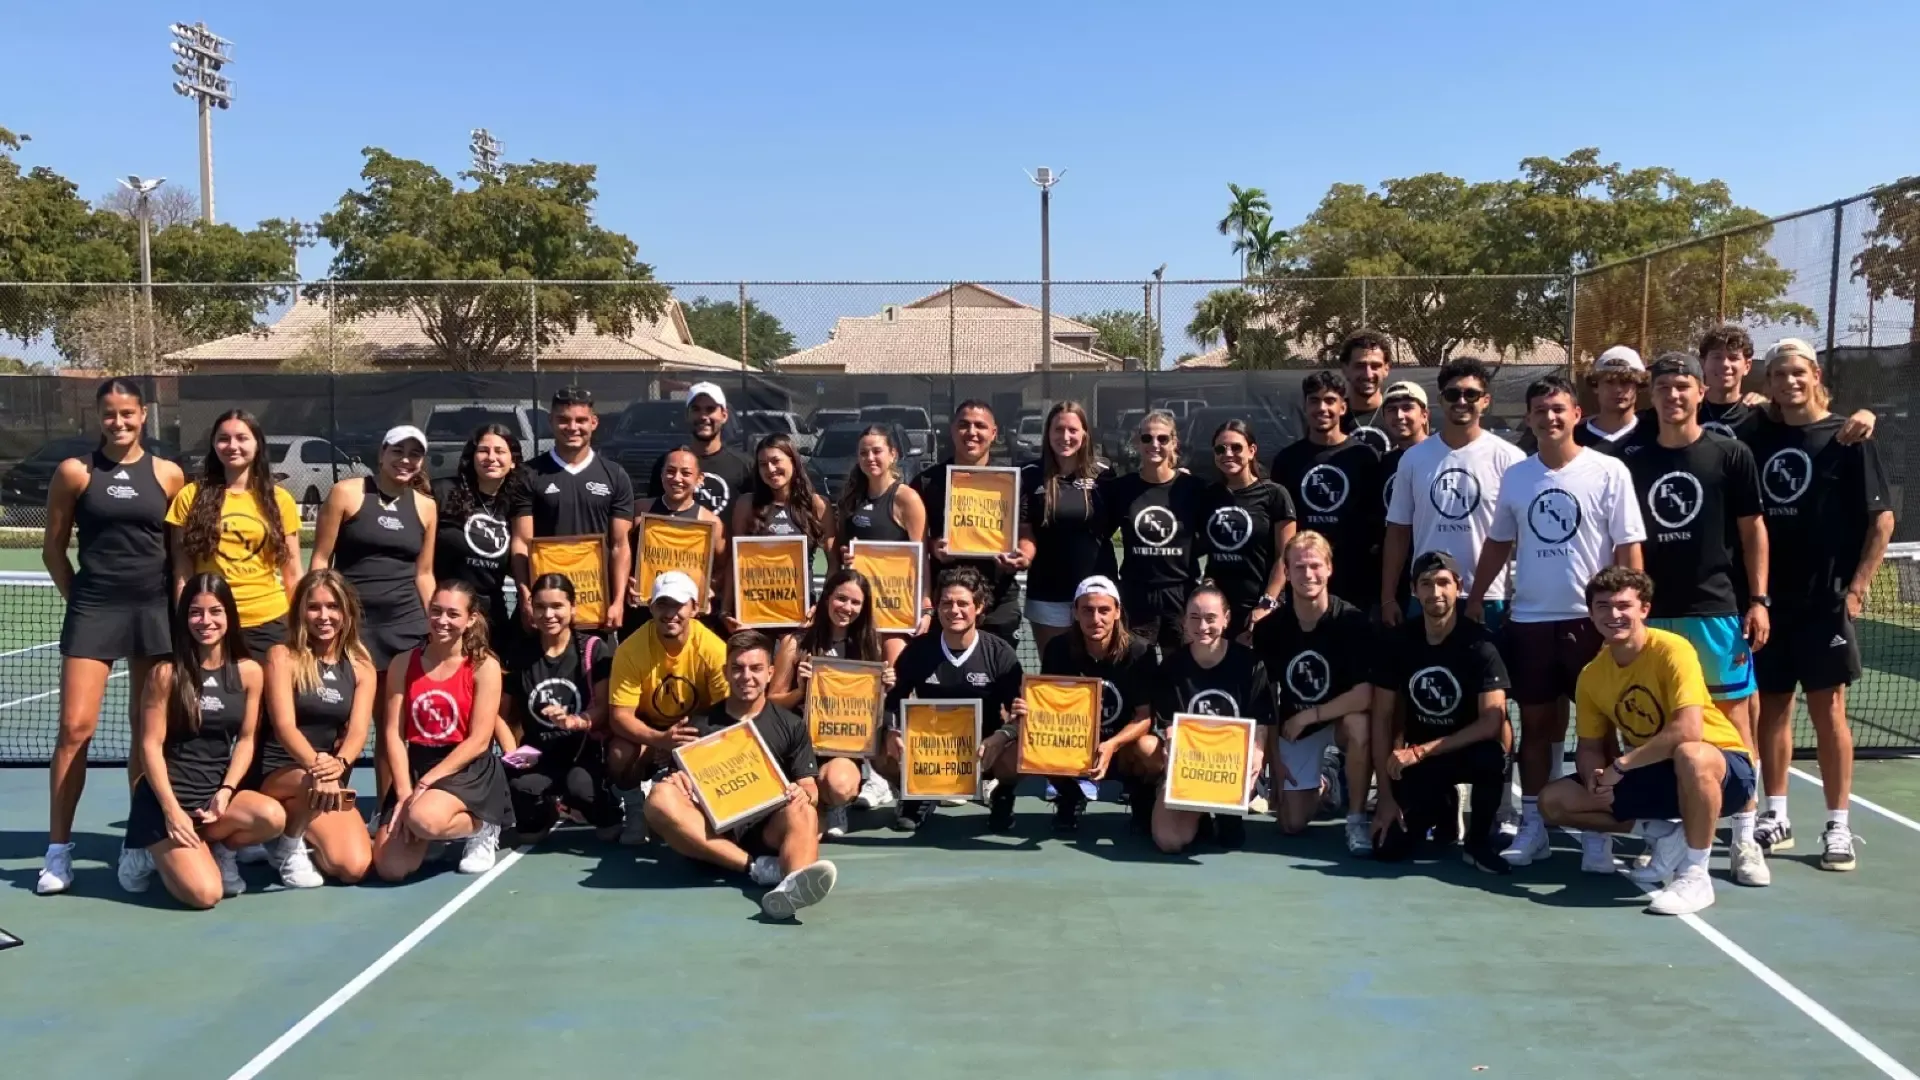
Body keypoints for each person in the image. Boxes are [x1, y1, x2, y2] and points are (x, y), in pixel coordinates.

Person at [1470, 375, 1645, 871]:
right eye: (1540, 410)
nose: (1550, 418)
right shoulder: (1517, 477)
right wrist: (1476, 598)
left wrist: (1630, 612)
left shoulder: (1608, 471)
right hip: (1530, 623)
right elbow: (1499, 543)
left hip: (1591, 625)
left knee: (1599, 733)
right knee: (1537, 728)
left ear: (1575, 414)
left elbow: (1628, 547)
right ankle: (1533, 826)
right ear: (1529, 418)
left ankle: (1597, 833)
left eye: (1558, 409)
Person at [1617, 352, 1771, 887]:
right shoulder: (1631, 460)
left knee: (1733, 725)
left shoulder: (1731, 454)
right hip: (1654, 617)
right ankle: (1667, 835)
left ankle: (1745, 837)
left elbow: (1753, 530)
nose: (1673, 395)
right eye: (1663, 387)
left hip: (1715, 613)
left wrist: (1759, 599)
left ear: (1700, 392)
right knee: (1655, 724)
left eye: (1683, 386)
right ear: (1652, 395)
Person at [1747, 339, 1894, 870]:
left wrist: (1856, 588)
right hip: (1769, 604)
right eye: (1779, 373)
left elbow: (1882, 522)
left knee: (1829, 709)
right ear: (1769, 382)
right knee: (1772, 707)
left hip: (1825, 603)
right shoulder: (1756, 436)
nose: (1789, 381)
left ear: (1815, 375)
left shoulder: (1850, 437)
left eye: (1798, 372)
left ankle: (1838, 825)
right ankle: (1775, 816)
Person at [38, 378, 186, 896]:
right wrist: (82, 600)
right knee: (74, 729)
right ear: (97, 417)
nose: (118, 422)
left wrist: (179, 613)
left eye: (127, 413)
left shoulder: (168, 474)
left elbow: (178, 554)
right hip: (95, 611)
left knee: (147, 733)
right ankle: (58, 851)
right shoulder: (74, 473)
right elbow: (54, 549)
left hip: (154, 614)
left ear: (143, 415)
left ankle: (137, 845)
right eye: (109, 414)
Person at [1539, 567, 1758, 916]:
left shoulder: (1673, 649)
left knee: (1691, 755)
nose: (1613, 614)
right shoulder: (1592, 676)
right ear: (1591, 613)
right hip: (1657, 773)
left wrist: (1620, 767)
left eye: (1623, 605)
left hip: (1724, 771)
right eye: (1603, 606)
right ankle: (1663, 834)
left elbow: (1688, 730)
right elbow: (1590, 746)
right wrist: (1596, 780)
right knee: (1554, 802)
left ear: (1644, 609)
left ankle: (1695, 874)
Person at [643, 631, 839, 921]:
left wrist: (804, 793)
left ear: (770, 673)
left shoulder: (791, 725)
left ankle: (791, 891)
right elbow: (678, 783)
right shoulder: (698, 725)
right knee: (660, 797)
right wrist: (678, 782)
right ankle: (759, 868)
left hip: (767, 828)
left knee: (805, 810)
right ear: (726, 672)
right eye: (737, 668)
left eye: (756, 668)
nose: (746, 676)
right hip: (712, 833)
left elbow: (809, 785)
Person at [118, 574, 281, 908]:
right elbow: (149, 746)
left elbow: (246, 739)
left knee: (273, 818)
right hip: (166, 802)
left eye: (215, 611)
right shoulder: (165, 674)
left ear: (229, 615)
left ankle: (218, 848)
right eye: (195, 612)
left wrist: (227, 791)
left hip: (213, 799)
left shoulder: (250, 672)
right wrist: (171, 811)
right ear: (185, 618)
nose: (206, 621)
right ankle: (146, 851)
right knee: (205, 895)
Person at [1369, 551, 1514, 874]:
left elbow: (1492, 722)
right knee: (1387, 849)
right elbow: (1381, 718)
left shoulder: (1481, 645)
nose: (1435, 592)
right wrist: (1386, 798)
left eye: (1443, 583)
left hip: (1464, 750)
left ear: (1458, 587)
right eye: (1426, 584)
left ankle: (1478, 843)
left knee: (1493, 756)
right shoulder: (1397, 643)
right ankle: (1444, 808)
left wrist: (1423, 751)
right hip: (1418, 761)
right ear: (1414, 590)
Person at [372, 580, 512, 881]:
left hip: (466, 768)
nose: (442, 620)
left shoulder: (484, 667)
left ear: (470, 619)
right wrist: (405, 792)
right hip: (418, 763)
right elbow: (393, 734)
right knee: (390, 869)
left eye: (453, 613)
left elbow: (479, 740)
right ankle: (430, 831)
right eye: (436, 611)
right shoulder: (402, 663)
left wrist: (426, 784)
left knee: (423, 818)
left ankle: (483, 824)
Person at [1381, 357, 1524, 632]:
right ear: (1440, 400)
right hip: (1427, 593)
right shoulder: (1413, 459)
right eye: (1452, 394)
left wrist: (1518, 597)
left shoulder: (1511, 459)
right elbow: (1398, 531)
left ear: (1485, 401)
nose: (1461, 401)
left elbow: (1521, 536)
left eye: (1471, 394)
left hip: (1489, 597)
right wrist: (1388, 597)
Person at [1252, 533, 1374, 853]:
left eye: (1316, 565)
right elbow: (1267, 701)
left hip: (1336, 721)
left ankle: (1357, 819)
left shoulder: (1353, 621)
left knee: (1360, 725)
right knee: (1290, 824)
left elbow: (1365, 695)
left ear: (1329, 568)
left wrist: (1310, 715)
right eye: (1299, 567)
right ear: (1286, 572)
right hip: (1295, 729)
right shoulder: (1269, 629)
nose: (1308, 574)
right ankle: (1328, 783)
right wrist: (1274, 763)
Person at [256, 569, 378, 888]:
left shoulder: (362, 667)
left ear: (346, 611)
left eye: (333, 606)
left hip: (329, 779)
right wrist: (318, 768)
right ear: (301, 612)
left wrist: (338, 765)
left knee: (353, 867)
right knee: (309, 783)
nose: (324, 616)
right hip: (281, 773)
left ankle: (291, 827)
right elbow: (284, 727)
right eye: (314, 607)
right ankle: (287, 846)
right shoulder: (281, 656)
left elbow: (358, 732)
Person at [881, 567, 1025, 833]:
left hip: (983, 751)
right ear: (937, 608)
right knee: (878, 745)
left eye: (962, 603)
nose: (954, 611)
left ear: (979, 607)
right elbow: (892, 701)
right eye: (946, 603)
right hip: (928, 750)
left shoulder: (999, 653)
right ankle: (916, 793)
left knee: (1022, 748)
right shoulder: (919, 650)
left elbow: (1021, 712)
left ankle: (1002, 793)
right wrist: (892, 731)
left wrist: (1002, 736)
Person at [604, 571, 731, 844]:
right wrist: (660, 739)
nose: (670, 613)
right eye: (662, 605)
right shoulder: (630, 650)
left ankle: (706, 807)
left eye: (679, 605)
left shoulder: (715, 649)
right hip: (648, 730)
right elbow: (620, 717)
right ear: (651, 608)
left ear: (694, 609)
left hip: (695, 729)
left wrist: (686, 743)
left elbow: (727, 714)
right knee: (619, 753)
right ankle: (635, 809)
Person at [1027, 575, 1161, 833]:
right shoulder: (1058, 649)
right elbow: (1048, 709)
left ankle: (1141, 796)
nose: (1096, 618)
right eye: (1087, 610)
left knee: (1149, 749)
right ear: (1075, 612)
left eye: (1104, 610)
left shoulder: (1140, 652)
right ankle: (1069, 794)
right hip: (1075, 745)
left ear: (1117, 612)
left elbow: (1145, 716)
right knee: (1034, 740)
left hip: (1121, 749)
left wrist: (1112, 744)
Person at [769, 567, 896, 835]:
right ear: (827, 597)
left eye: (855, 602)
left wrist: (884, 687)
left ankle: (834, 804)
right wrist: (800, 692)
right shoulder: (795, 642)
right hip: (799, 744)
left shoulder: (869, 644)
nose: (847, 607)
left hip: (842, 744)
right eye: (841, 598)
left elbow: (871, 710)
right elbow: (771, 703)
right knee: (798, 820)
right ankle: (814, 805)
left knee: (839, 785)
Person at [167, 410, 303, 658]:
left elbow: (292, 572)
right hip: (212, 624)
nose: (232, 446)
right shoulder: (189, 496)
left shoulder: (280, 500)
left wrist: (300, 625)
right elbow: (183, 572)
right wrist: (184, 623)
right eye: (223, 439)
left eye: (242, 438)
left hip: (270, 623)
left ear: (257, 444)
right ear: (213, 444)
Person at [1148, 584, 1271, 854]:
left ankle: (1226, 813)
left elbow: (1261, 723)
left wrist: (1256, 757)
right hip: (1192, 768)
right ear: (1184, 621)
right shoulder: (1171, 667)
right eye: (1194, 618)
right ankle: (1199, 814)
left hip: (1232, 768)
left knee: (1230, 841)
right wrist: (1171, 751)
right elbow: (1169, 725)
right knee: (1169, 840)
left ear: (1226, 619)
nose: (1202, 626)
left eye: (1210, 618)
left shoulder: (1250, 664)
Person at [310, 424, 436, 689]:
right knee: (348, 703)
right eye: (398, 451)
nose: (405, 460)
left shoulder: (427, 506)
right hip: (352, 624)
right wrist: (317, 609)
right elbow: (321, 559)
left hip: (407, 625)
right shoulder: (345, 492)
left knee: (396, 708)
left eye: (414, 454)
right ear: (381, 454)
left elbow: (424, 574)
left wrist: (434, 620)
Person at [510, 386, 635, 639]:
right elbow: (521, 542)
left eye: (581, 420)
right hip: (546, 609)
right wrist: (525, 596)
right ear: (551, 421)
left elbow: (620, 545)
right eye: (564, 420)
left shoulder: (615, 475)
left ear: (594, 422)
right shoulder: (529, 474)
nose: (572, 427)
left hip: (595, 606)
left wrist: (618, 601)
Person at [505, 574, 622, 841]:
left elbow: (604, 709)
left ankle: (596, 803)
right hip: (538, 754)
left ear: (573, 608)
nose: (548, 615)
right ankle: (548, 809)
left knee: (607, 828)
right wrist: (513, 754)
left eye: (557, 606)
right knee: (527, 824)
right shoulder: (519, 653)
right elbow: (501, 716)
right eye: (540, 607)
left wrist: (574, 721)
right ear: (531, 609)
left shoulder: (593, 649)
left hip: (584, 751)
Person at [911, 401, 1026, 646]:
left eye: (980, 426)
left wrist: (1022, 557)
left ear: (993, 433)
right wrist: (934, 547)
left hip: (999, 599)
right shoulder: (926, 482)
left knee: (999, 669)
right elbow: (913, 541)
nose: (971, 432)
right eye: (964, 425)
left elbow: (1026, 532)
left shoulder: (1012, 482)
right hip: (945, 601)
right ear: (952, 430)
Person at [1272, 371, 1381, 608]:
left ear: (1343, 407)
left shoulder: (1365, 457)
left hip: (1356, 579)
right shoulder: (1287, 460)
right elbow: (1281, 528)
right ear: (1305, 406)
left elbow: (1377, 522)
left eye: (1330, 400)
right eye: (1314, 401)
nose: (1322, 408)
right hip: (1304, 577)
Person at [1103, 410, 1207, 654]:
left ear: (1174, 442)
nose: (1155, 444)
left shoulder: (1193, 488)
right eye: (1147, 438)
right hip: (1136, 595)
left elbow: (1210, 536)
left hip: (1181, 595)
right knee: (1135, 667)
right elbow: (1101, 536)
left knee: (1180, 667)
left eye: (1162, 438)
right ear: (1137, 442)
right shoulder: (1122, 489)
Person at [1018, 401, 1117, 656]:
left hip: (1097, 594)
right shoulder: (1029, 474)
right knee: (1055, 669)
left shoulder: (1105, 474)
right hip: (1047, 593)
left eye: (1073, 430)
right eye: (1058, 429)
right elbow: (1025, 530)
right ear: (1048, 433)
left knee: (1099, 669)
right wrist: (1023, 554)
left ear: (1084, 433)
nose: (1065, 436)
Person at [829, 424, 928, 661]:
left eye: (876, 451)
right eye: (863, 453)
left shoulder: (906, 499)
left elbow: (922, 558)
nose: (870, 458)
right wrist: (846, 556)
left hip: (895, 607)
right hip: (855, 607)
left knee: (893, 672)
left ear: (893, 454)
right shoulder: (851, 499)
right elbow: (842, 551)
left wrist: (926, 606)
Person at [1199, 419, 1295, 641]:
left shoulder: (1274, 494)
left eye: (1236, 447)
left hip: (1260, 609)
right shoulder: (1209, 495)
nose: (1228, 454)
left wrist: (1267, 603)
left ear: (1252, 451)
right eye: (1220, 449)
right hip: (1219, 612)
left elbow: (1285, 557)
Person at [432, 424, 525, 639]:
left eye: (500, 451)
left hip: (491, 619)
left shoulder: (516, 507)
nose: (491, 457)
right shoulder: (442, 492)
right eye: (483, 450)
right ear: (472, 457)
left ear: (513, 461)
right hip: (444, 616)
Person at [725, 435, 830, 625]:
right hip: (754, 613)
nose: (770, 469)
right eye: (763, 464)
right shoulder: (746, 504)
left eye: (775, 461)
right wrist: (725, 610)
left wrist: (821, 606)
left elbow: (835, 563)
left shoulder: (818, 505)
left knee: (790, 645)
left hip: (800, 616)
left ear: (793, 461)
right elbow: (735, 559)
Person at [626, 445, 727, 636]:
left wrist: (709, 587)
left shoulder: (710, 522)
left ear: (699, 479)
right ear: (661, 475)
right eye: (670, 471)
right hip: (642, 614)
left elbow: (722, 567)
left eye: (686, 473)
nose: (677, 478)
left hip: (686, 620)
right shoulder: (639, 512)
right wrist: (626, 582)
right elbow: (620, 553)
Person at [648, 381, 755, 518]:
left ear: (724, 415)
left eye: (710, 409)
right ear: (687, 415)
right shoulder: (667, 464)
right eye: (696, 409)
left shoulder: (745, 466)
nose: (703, 416)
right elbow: (654, 517)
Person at [1376, 381, 1430, 619]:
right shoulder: (1381, 464)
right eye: (1391, 409)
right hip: (1395, 580)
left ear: (1424, 414)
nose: (1399, 416)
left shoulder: (1444, 458)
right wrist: (1387, 596)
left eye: (1407, 407)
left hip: (1435, 577)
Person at [1334, 329, 1396, 453]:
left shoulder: (1400, 417)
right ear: (1345, 369)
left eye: (1375, 366)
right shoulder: (1331, 418)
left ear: (1386, 369)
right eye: (1360, 366)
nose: (1368, 374)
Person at [1579, 347, 1647, 449]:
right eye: (1609, 382)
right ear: (1595, 386)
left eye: (1625, 381)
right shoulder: (1573, 437)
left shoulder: (1654, 435)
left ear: (1639, 386)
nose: (1618, 389)